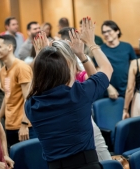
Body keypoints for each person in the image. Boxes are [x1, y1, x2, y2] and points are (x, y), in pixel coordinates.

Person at [25, 17, 113, 169]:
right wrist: (88, 46)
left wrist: (41, 57)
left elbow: (33, 88)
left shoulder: (32, 105)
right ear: (68, 69)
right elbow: (107, 69)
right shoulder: (79, 93)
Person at [0, 35, 35, 148]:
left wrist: (24, 124)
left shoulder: (21, 67)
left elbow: (28, 98)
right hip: (10, 126)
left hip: (25, 126)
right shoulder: (2, 71)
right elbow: (7, 96)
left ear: (9, 47)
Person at [101, 20, 137, 99]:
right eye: (104, 32)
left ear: (117, 31)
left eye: (109, 31)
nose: (106, 34)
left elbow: (135, 67)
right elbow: (97, 71)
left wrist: (131, 87)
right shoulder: (100, 49)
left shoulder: (127, 47)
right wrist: (109, 87)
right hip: (108, 92)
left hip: (127, 91)